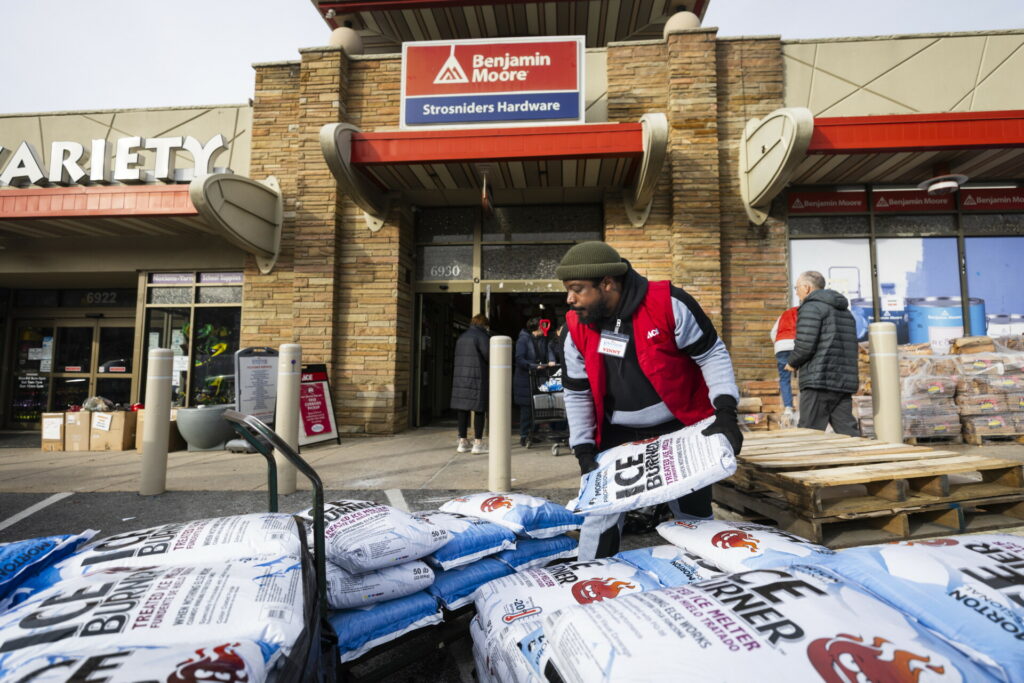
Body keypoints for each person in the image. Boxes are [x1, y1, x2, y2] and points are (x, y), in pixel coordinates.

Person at [557, 241, 743, 560]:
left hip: (678, 428)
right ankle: (590, 582)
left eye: (577, 289)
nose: (569, 299)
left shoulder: (669, 304)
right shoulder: (575, 326)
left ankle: (708, 580)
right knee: (599, 515)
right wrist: (583, 446)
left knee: (694, 517)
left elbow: (711, 354)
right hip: (616, 434)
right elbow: (577, 390)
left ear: (607, 283)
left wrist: (725, 412)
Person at [784, 270, 859, 435]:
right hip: (842, 382)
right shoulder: (845, 312)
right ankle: (863, 460)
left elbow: (805, 344)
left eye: (797, 288)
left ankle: (808, 462)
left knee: (809, 433)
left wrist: (792, 362)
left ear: (807, 288)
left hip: (819, 380)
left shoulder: (811, 307)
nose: (796, 292)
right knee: (848, 433)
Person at [514, 316, 556, 447]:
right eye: (541, 326)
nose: (544, 328)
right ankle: (524, 436)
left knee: (537, 408)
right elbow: (519, 359)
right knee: (527, 409)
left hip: (538, 378)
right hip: (525, 379)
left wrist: (551, 360)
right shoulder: (523, 340)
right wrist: (533, 366)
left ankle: (533, 433)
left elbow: (548, 351)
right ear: (537, 327)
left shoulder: (543, 339)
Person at [451, 314, 490, 454]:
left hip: (460, 378)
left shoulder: (462, 337)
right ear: (484, 324)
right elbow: (489, 355)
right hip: (477, 377)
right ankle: (478, 443)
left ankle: (462, 442)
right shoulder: (482, 336)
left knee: (463, 409)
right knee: (479, 409)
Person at [770, 305, 799, 425]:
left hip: (781, 345)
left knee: (784, 379)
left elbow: (773, 333)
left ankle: (788, 408)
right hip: (797, 345)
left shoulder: (784, 314)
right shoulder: (806, 313)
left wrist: (778, 345)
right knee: (804, 376)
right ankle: (804, 406)